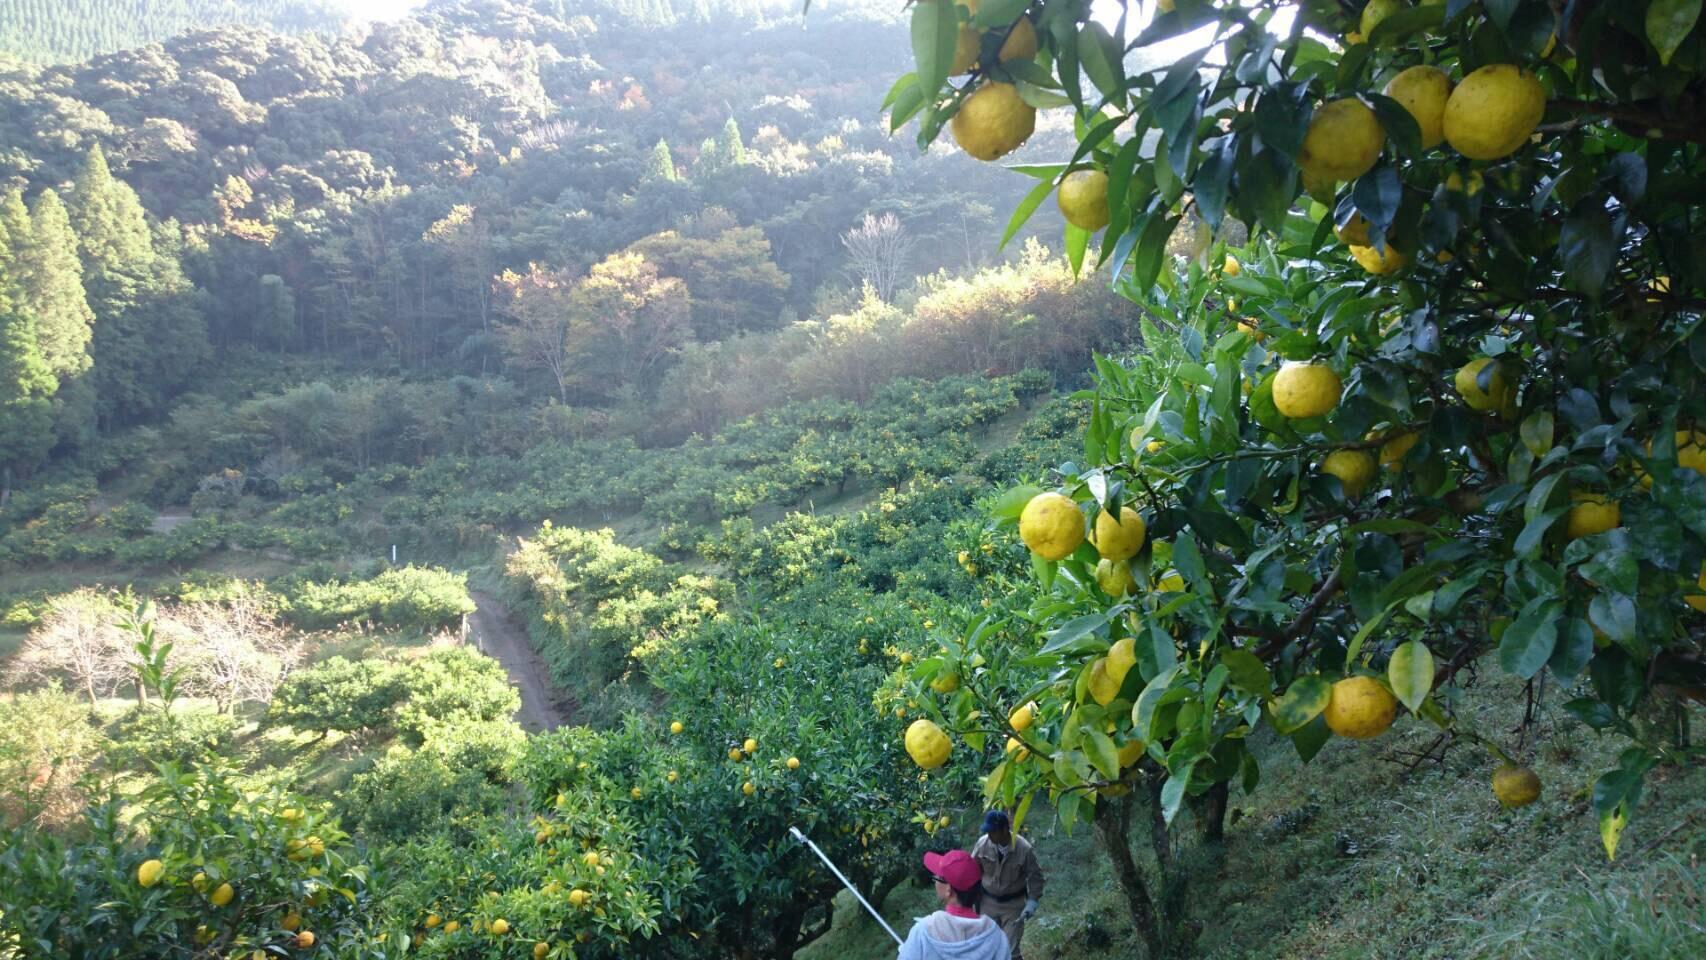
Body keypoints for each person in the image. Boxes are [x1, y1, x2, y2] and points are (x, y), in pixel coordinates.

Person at [897, 849, 1010, 960]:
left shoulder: (922, 934)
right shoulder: (997, 937)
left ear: (948, 889)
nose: (935, 881)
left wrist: (907, 950)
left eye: (937, 877)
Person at [970, 810, 1044, 960]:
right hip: (987, 903)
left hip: (1013, 906)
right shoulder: (983, 844)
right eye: (988, 831)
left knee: (1011, 952)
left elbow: (1035, 877)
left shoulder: (1024, 848)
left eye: (993, 832)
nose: (989, 835)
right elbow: (972, 869)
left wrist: (1032, 901)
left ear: (1005, 830)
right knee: (986, 947)